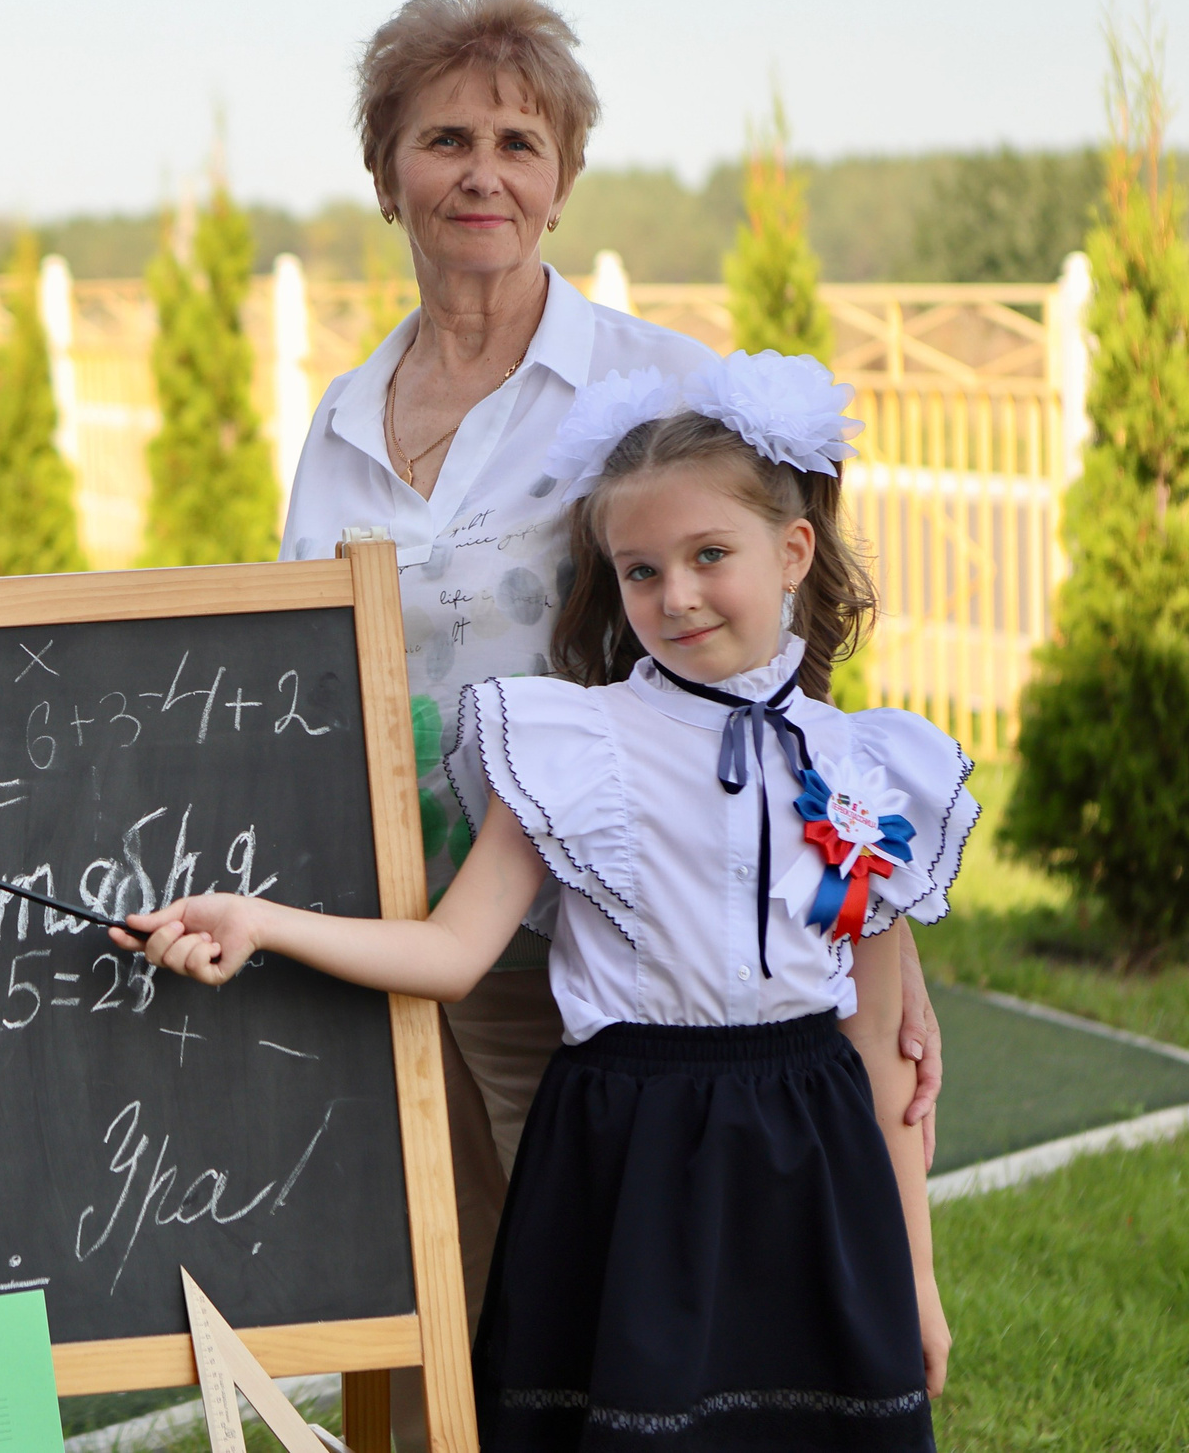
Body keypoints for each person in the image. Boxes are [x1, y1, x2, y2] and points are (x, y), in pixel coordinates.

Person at [277, 0, 943, 1447]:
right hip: (386, 909)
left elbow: (783, 649)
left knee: (581, 1295)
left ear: (564, 177)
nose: (482, 173)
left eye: (519, 140)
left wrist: (860, 928)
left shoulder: (651, 383)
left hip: (587, 934)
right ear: (386, 169)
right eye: (444, 137)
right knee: (421, 1285)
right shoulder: (336, 419)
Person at [125, 351, 965, 1448]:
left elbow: (878, 1046)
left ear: (793, 550)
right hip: (629, 1155)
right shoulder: (573, 747)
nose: (677, 596)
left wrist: (914, 1275)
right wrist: (261, 920)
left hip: (811, 1164)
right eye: (639, 570)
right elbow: (452, 952)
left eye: (710, 555)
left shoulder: (868, 770)